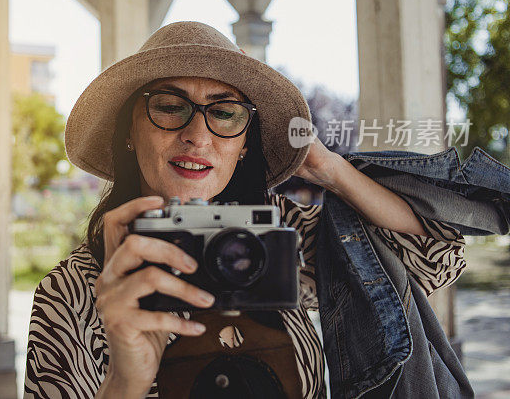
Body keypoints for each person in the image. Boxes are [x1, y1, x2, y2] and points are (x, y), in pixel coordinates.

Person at [23, 21, 465, 398]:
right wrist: (124, 383)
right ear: (128, 131)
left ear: (244, 143)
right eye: (170, 107)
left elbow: (431, 257)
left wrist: (328, 168)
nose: (198, 134)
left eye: (226, 113)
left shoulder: (270, 234)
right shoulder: (71, 294)